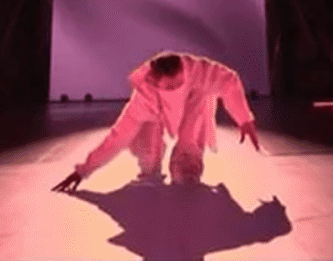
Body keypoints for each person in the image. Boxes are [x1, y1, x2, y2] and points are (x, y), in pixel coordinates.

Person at [52, 52, 260, 191]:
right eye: (168, 87)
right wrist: (83, 170)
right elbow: (118, 136)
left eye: (178, 84)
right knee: (148, 161)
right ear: (154, 82)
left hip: (194, 112)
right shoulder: (145, 98)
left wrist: (244, 119)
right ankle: (151, 158)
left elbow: (229, 80)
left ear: (184, 71)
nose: (175, 90)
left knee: (184, 176)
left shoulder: (198, 72)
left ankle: (189, 153)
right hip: (155, 114)